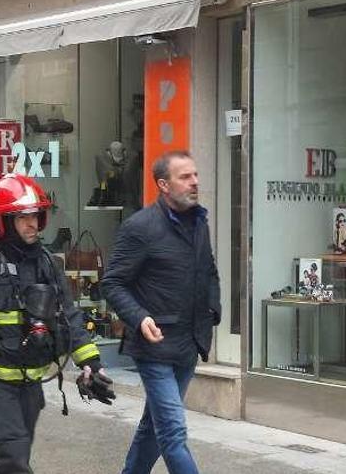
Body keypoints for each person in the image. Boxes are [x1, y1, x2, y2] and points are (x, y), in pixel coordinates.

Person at [0, 173, 115, 474]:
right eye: (23, 218)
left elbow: (69, 314)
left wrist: (91, 363)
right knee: (13, 461)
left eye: (36, 216)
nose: (33, 224)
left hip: (29, 384)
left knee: (5, 453)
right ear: (2, 221)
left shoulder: (46, 263)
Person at [101, 150, 221, 474]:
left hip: (189, 342)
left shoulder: (199, 222)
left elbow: (208, 270)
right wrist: (139, 318)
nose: (195, 182)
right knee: (172, 432)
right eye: (185, 177)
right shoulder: (140, 227)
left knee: (152, 428)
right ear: (163, 185)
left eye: (195, 175)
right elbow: (111, 283)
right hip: (154, 344)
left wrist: (213, 308)